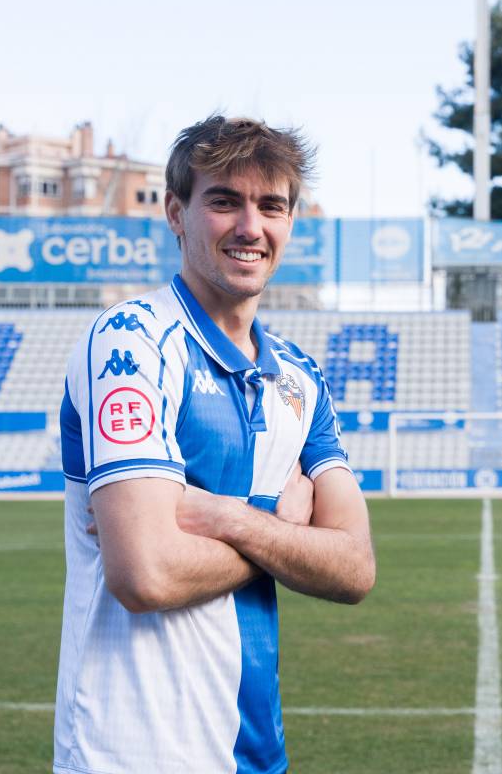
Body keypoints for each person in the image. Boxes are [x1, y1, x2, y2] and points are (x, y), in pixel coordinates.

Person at [54, 115, 375, 774]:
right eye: (224, 200)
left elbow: (354, 568)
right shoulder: (132, 340)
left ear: (290, 222)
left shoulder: (300, 377)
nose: (250, 226)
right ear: (176, 212)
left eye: (271, 206)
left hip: (255, 753)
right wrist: (279, 527)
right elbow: (146, 574)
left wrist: (230, 516)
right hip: (134, 754)